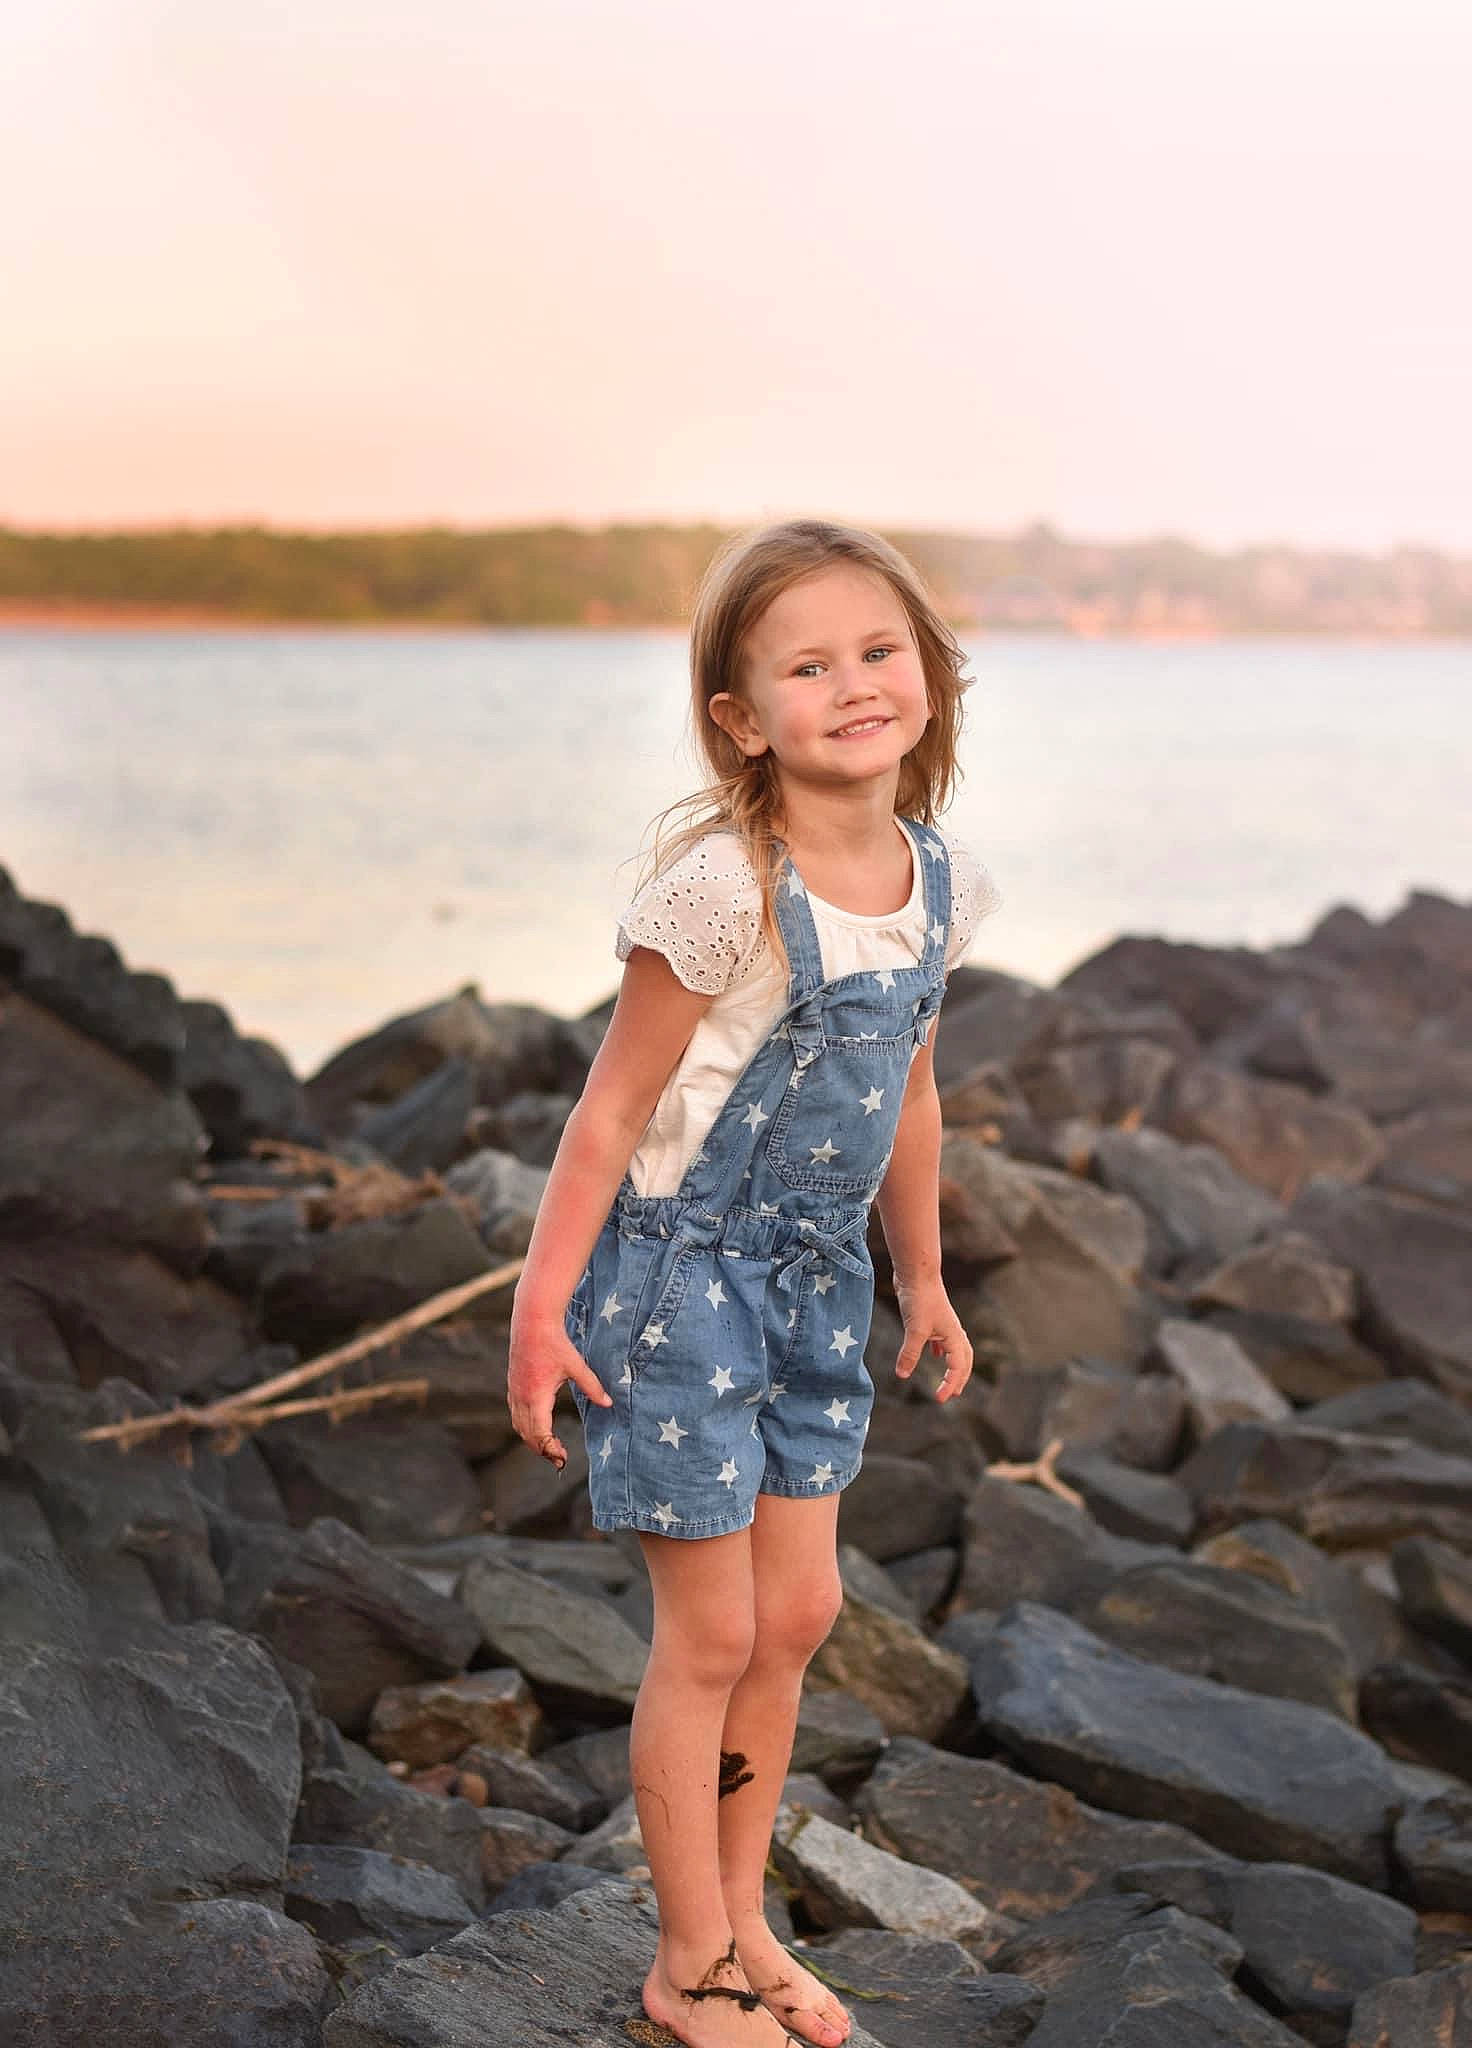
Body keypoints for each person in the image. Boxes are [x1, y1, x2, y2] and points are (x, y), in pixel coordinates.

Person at [507, 518, 1003, 2048]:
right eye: (807, 664)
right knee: (707, 1638)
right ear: (740, 716)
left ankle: (746, 1929)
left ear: (929, 670)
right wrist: (539, 1311)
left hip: (809, 1292)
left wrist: (918, 1275)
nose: (854, 684)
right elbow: (606, 1113)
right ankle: (688, 1964)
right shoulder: (726, 892)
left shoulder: (936, 881)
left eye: (879, 650)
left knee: (797, 1615)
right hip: (677, 1287)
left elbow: (909, 1100)